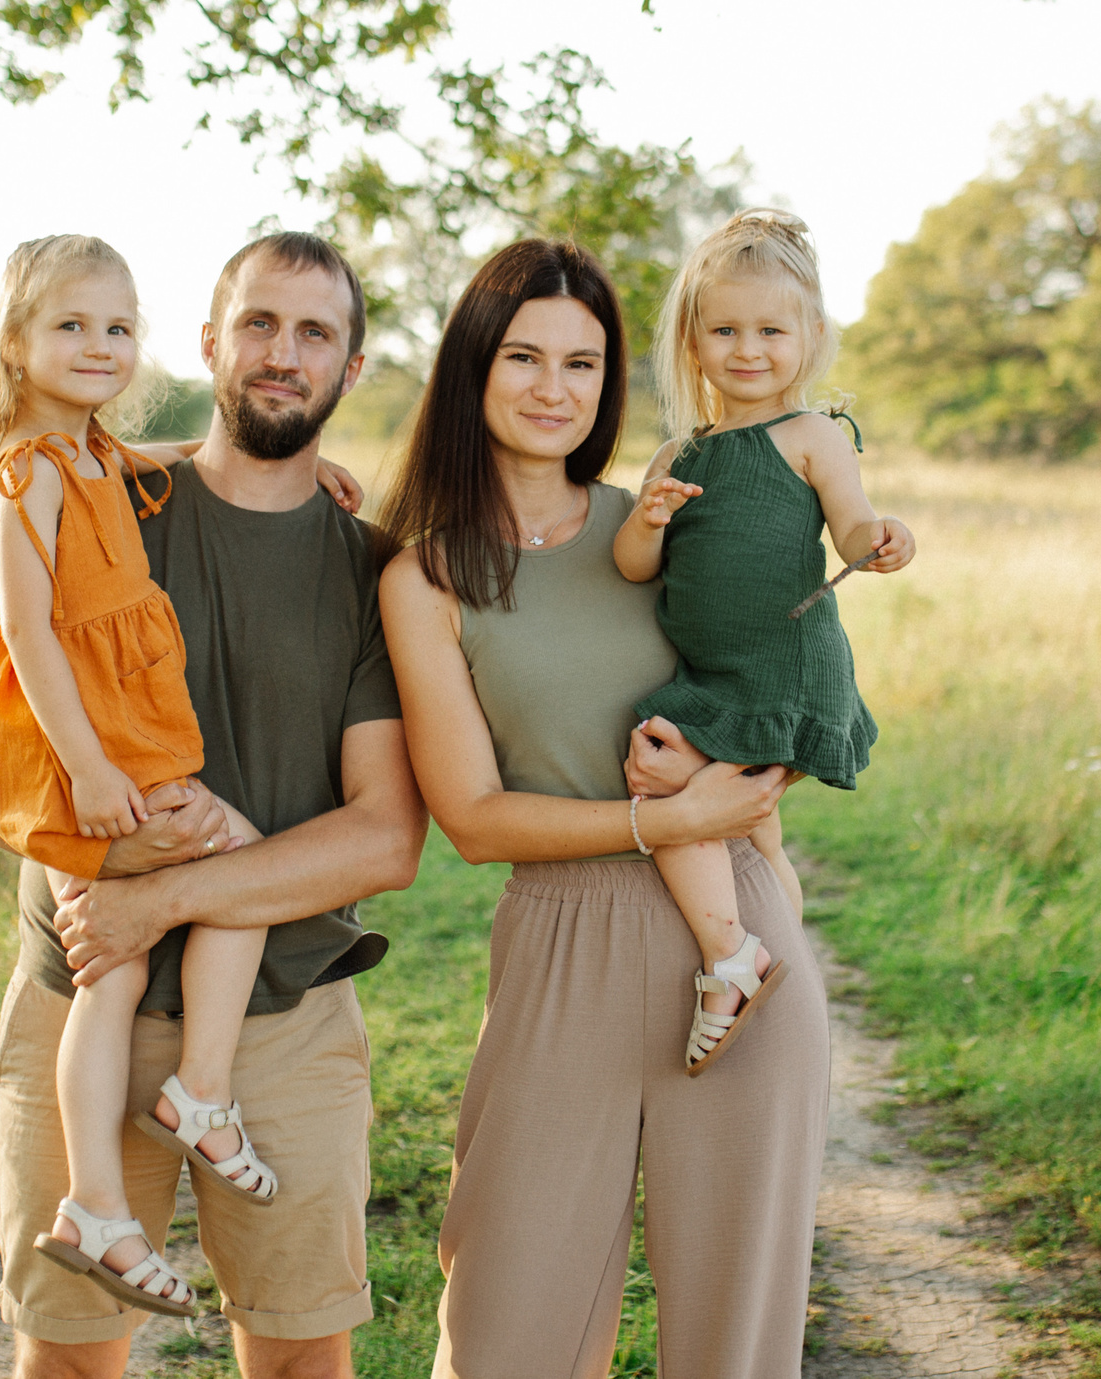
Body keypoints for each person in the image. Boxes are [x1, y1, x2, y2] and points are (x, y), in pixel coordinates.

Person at [0, 231, 424, 1379]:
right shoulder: (97, 507)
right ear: (207, 343)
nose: (283, 353)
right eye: (258, 323)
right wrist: (106, 864)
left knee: (299, 1359)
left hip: (283, 1019)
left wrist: (167, 898)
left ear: (349, 369)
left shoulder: (375, 570)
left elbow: (386, 837)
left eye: (315, 333)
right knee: (68, 1361)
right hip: (83, 990)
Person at [378, 238, 830, 1379]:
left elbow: (780, 682)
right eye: (523, 357)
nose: (553, 388)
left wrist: (754, 806)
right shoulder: (426, 576)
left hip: (736, 942)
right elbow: (473, 819)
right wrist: (659, 824)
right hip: (560, 943)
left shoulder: (670, 520)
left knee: (734, 1342)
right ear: (474, 368)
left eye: (581, 363)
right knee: (504, 1330)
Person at [0, 232, 280, 1318]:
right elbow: (28, 629)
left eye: (119, 327)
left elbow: (162, 461)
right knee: (225, 881)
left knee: (129, 959)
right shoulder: (28, 470)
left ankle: (116, 1184)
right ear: (15, 344)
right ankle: (180, 1115)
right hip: (81, 745)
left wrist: (290, 468)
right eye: (71, 325)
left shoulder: (90, 454)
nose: (100, 344)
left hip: (121, 730)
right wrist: (86, 768)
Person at [611, 208, 917, 1074]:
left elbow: (852, 524)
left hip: (783, 665)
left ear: (810, 335)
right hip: (715, 671)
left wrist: (880, 540)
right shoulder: (678, 453)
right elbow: (635, 567)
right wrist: (647, 517)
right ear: (692, 340)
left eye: (771, 331)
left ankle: (731, 957)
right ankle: (788, 964)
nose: (748, 349)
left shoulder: (810, 436)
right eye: (725, 330)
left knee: (665, 784)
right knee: (759, 834)